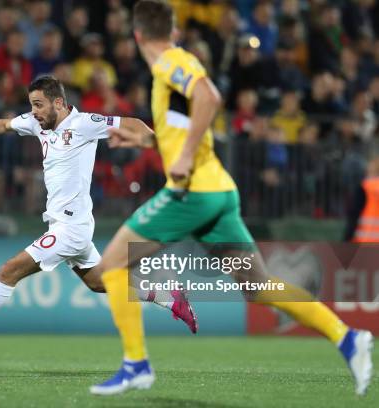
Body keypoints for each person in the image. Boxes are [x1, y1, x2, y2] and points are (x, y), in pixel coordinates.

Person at [90, 0, 373, 396]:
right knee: (258, 286)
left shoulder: (169, 62)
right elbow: (185, 128)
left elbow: (208, 96)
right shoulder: (170, 68)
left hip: (192, 195)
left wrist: (184, 155)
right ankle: (346, 337)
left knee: (110, 266)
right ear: (170, 30)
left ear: (137, 35)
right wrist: (146, 138)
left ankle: (135, 364)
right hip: (218, 195)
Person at [0, 75, 197, 343]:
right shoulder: (38, 123)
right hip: (65, 224)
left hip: (72, 228)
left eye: (38, 105)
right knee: (99, 283)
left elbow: (134, 124)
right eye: (31, 105)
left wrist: (158, 144)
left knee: (9, 271)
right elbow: (3, 125)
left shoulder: (85, 124)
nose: (33, 112)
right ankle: (169, 296)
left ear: (59, 103)